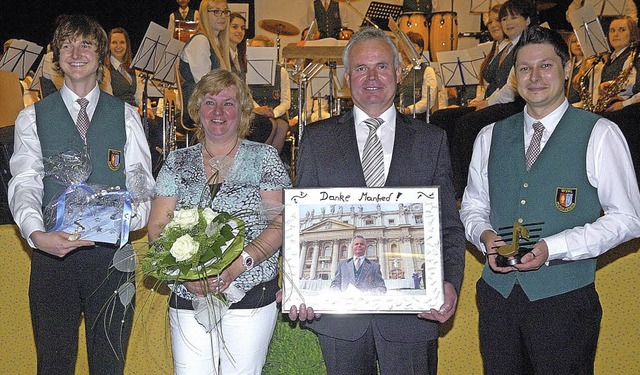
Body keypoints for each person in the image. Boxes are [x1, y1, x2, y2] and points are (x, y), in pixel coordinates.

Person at [460, 26, 640, 374]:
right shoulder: (489, 135)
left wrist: (553, 247)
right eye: (525, 68)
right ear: (514, 76)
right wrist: (482, 235)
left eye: (546, 66)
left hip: (565, 301)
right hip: (497, 299)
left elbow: (628, 218)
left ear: (567, 68)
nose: (535, 77)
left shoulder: (600, 133)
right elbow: (473, 205)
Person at [290, 27, 466, 375]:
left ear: (399, 74)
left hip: (413, 316)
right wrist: (296, 288)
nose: (371, 77)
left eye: (382, 67)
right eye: (361, 68)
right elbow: (299, 224)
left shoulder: (432, 140)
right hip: (339, 320)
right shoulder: (317, 139)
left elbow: (448, 225)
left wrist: (449, 284)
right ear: (346, 78)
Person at [7, 14, 153, 374]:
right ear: (56, 56)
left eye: (86, 44)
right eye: (66, 44)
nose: (76, 52)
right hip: (52, 258)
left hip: (112, 260)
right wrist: (36, 235)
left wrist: (119, 219)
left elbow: (143, 187)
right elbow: (24, 183)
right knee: (54, 365)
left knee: (109, 365)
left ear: (101, 54)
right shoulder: (31, 117)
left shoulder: (127, 116)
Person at [148, 69, 291, 375]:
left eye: (228, 103)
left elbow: (280, 223)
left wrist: (239, 264)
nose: (218, 112)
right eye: (210, 102)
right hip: (189, 293)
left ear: (243, 112)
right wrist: (186, 275)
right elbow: (157, 229)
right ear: (197, 110)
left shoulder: (264, 158)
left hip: (251, 292)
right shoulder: (177, 161)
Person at [178, 0, 230, 128]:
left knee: (271, 125)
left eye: (225, 12)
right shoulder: (200, 41)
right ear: (204, 14)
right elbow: (206, 85)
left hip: (213, 106)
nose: (222, 16)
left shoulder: (217, 42)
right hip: (197, 108)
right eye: (216, 11)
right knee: (262, 125)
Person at [396, 31, 443, 119]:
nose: (407, 49)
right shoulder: (396, 69)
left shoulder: (427, 71)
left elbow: (428, 101)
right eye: (405, 45)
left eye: (413, 46)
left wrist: (408, 110)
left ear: (420, 49)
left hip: (416, 120)